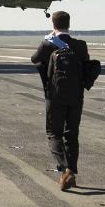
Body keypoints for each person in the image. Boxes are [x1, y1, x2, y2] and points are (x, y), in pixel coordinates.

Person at [31, 11, 89, 190]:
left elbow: (34, 59)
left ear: (53, 24)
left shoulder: (48, 43)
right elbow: (86, 65)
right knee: (72, 134)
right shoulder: (80, 45)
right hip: (76, 95)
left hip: (54, 95)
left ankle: (65, 169)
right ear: (69, 24)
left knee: (54, 133)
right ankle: (71, 169)